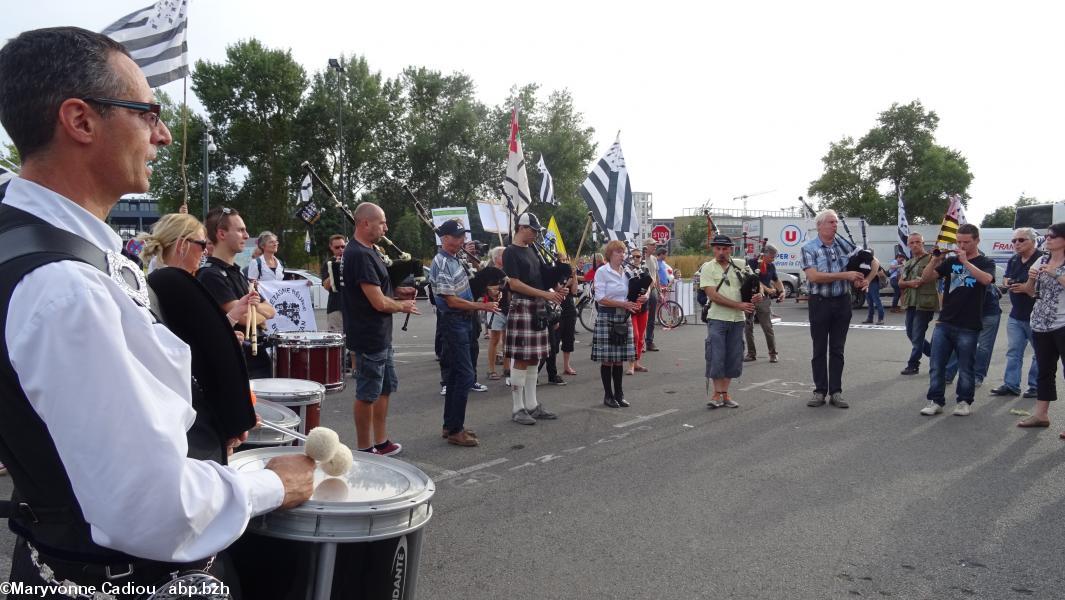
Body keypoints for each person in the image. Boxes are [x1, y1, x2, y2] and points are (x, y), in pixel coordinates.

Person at [0, 26, 312, 593]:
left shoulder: (27, 244)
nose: (163, 136)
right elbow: (154, 510)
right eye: (148, 113)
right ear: (80, 121)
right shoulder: (66, 288)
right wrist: (273, 484)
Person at [141, 213, 262, 463]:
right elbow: (213, 354)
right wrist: (236, 419)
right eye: (201, 246)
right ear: (183, 245)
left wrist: (228, 321)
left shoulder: (157, 282)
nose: (205, 253)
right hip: (195, 417)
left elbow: (188, 342)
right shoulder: (173, 282)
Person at [343, 202, 418, 455]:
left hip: (380, 335)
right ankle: (364, 447)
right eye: (382, 222)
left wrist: (398, 292)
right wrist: (402, 305)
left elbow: (378, 290)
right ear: (365, 223)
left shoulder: (371, 251)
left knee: (384, 388)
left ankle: (381, 440)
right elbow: (377, 302)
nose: (385, 227)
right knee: (367, 393)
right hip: (368, 336)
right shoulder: (359, 254)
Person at [430, 219, 501, 447]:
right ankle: (455, 430)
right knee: (465, 376)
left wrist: (485, 287)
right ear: (445, 238)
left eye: (462, 236)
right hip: (454, 321)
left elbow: (466, 289)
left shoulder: (455, 259)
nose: (462, 240)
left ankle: (450, 425)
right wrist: (483, 306)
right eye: (457, 236)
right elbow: (450, 301)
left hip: (462, 321)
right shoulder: (441, 262)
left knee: (454, 376)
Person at [802, 209, 878, 408]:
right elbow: (814, 277)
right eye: (830, 222)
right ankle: (819, 391)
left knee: (837, 349)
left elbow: (873, 261)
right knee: (819, 348)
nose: (835, 225)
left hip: (842, 302)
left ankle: (836, 392)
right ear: (819, 226)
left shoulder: (844, 245)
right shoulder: (809, 248)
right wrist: (846, 275)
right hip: (819, 302)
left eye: (836, 222)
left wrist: (867, 281)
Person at [917, 224, 996, 416]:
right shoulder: (950, 262)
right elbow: (925, 278)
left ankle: (963, 402)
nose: (962, 245)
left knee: (966, 367)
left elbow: (986, 280)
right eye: (959, 241)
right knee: (936, 364)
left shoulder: (985, 262)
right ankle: (935, 401)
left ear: (977, 240)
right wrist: (934, 260)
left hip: (969, 324)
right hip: (945, 321)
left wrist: (966, 262)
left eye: (966, 242)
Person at [197, 206, 276, 379]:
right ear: (222, 234)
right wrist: (258, 312)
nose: (247, 236)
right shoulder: (210, 275)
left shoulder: (236, 272)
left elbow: (272, 310)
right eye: (240, 230)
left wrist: (256, 310)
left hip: (255, 360)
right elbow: (244, 317)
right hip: (240, 365)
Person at [503, 213, 565, 425]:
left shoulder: (532, 249)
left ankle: (532, 404)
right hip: (522, 305)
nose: (536, 234)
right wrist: (545, 294)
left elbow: (542, 276)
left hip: (537, 307)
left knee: (534, 358)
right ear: (521, 228)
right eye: (533, 230)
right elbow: (514, 284)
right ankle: (517, 408)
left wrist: (559, 277)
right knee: (521, 358)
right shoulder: (510, 252)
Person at [1015, 222, 1065, 431]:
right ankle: (1040, 415)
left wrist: (1054, 273)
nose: (1048, 239)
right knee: (1044, 370)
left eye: (1052, 236)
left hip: (1063, 323)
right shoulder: (1042, 260)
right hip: (1041, 323)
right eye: (1047, 236)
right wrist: (1030, 282)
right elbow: (1030, 291)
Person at [703, 235, 761, 408]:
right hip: (717, 318)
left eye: (724, 249)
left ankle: (724, 394)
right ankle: (716, 394)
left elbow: (755, 285)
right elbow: (712, 294)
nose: (721, 252)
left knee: (733, 357)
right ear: (713, 249)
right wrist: (739, 305)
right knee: (716, 356)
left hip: (738, 319)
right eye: (717, 249)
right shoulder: (707, 267)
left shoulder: (741, 265)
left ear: (731, 249)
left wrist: (758, 295)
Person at [991, 227, 1043, 398]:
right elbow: (1007, 277)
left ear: (1033, 241)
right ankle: (1011, 384)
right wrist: (1008, 282)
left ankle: (1035, 386)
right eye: (1014, 240)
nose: (1016, 244)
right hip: (1016, 314)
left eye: (1021, 240)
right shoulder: (1014, 259)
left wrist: (1027, 288)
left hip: (1037, 315)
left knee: (1040, 353)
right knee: (1013, 351)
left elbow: (1047, 289)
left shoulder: (1042, 259)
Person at [592, 240, 640, 408]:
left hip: (623, 318)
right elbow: (600, 298)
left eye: (623, 252)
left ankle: (619, 395)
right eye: (618, 252)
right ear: (610, 254)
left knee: (619, 360)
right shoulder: (602, 272)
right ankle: (608, 395)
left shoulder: (627, 272)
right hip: (607, 317)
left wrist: (637, 299)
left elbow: (631, 294)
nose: (622, 255)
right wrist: (623, 304)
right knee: (607, 360)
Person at [897, 234, 937, 375]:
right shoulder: (908, 262)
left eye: (918, 242)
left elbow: (934, 276)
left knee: (917, 334)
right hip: (911, 302)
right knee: (911, 333)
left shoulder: (932, 259)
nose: (915, 245)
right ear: (908, 245)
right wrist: (909, 283)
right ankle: (937, 357)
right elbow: (900, 283)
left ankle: (913, 364)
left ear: (923, 243)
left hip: (925, 302)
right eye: (912, 242)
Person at [744, 243, 784, 363]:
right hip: (750, 297)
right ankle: (751, 353)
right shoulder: (752, 263)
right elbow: (754, 279)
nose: (773, 259)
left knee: (767, 327)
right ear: (765, 254)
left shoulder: (771, 266)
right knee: (748, 327)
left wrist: (782, 291)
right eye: (772, 257)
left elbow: (776, 280)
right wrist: (769, 289)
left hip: (764, 300)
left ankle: (773, 353)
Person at [626, 247, 652, 375]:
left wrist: (646, 295)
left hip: (643, 307)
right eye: (634, 256)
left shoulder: (645, 269)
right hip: (631, 307)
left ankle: (637, 363)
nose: (636, 258)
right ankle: (631, 364)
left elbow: (649, 286)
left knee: (641, 336)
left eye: (638, 256)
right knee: (634, 336)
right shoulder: (625, 271)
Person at [485, 246, 507, 381]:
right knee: (495, 339)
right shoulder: (490, 272)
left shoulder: (508, 271)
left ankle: (507, 367)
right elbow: (487, 288)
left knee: (507, 339)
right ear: (496, 258)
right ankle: (491, 370)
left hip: (508, 308)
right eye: (503, 255)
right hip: (495, 309)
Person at [642, 237, 661, 352]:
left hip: (653, 289)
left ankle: (649, 341)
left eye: (655, 245)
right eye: (653, 245)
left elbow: (656, 275)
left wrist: (659, 290)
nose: (655, 247)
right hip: (643, 290)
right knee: (641, 316)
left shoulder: (654, 259)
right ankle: (640, 342)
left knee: (651, 317)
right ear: (646, 246)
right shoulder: (640, 258)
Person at [862, 261, 887, 325]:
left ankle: (880, 318)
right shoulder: (863, 262)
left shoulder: (873, 262)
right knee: (869, 301)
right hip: (867, 283)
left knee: (876, 300)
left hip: (873, 283)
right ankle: (870, 318)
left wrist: (873, 273)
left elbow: (880, 272)